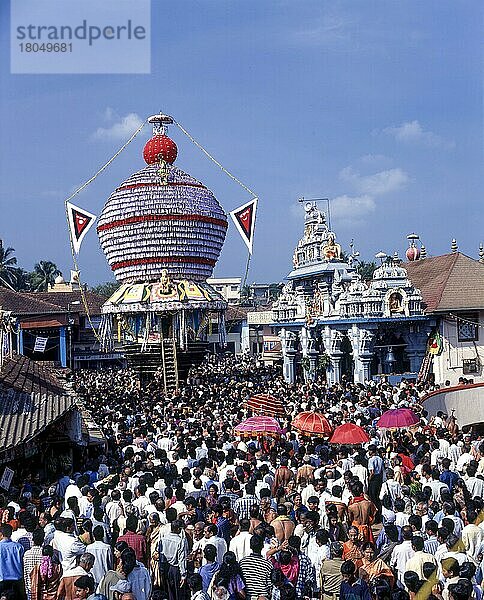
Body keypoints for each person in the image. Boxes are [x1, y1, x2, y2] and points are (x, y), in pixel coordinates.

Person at [159, 520, 188, 600]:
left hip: (166, 567)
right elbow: (182, 559)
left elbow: (161, 555)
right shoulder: (181, 541)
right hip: (176, 569)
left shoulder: (163, 539)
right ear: (178, 529)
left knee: (169, 592)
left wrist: (161, 569)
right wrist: (183, 575)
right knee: (178, 593)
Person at [239, 535, 273, 600]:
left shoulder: (242, 562)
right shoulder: (268, 564)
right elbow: (270, 585)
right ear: (262, 546)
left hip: (247, 597)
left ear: (250, 546)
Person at [0, 523, 25, 597]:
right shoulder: (19, 547)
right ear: (11, 533)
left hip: (2, 580)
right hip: (17, 580)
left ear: (1, 533)